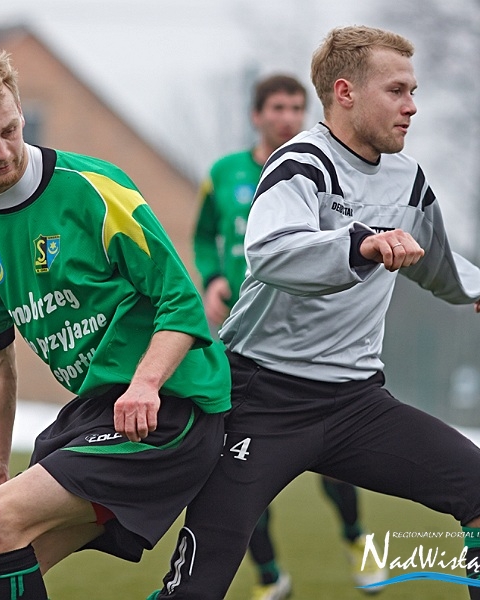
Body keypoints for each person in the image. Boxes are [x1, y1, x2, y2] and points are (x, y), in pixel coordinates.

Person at [150, 25, 480, 600]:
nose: (412, 106)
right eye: (397, 90)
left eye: (413, 91)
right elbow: (271, 251)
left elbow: (429, 257)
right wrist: (362, 243)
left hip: (357, 403)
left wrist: (471, 284)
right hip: (261, 398)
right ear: (345, 92)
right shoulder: (301, 162)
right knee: (196, 586)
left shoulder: (409, 179)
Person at [0, 48, 231, 600]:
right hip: (98, 412)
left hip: (170, 407)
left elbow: (182, 303)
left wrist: (145, 384)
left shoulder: (93, 189)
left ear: (20, 112)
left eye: (11, 130)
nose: (3, 151)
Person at [193, 73, 386, 599]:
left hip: (307, 339)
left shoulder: (321, 169)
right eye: (277, 107)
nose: (287, 117)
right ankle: (269, 576)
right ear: (256, 115)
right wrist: (212, 279)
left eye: (296, 107)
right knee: (235, 458)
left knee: (336, 457)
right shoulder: (224, 174)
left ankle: (356, 540)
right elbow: (204, 235)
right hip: (241, 337)